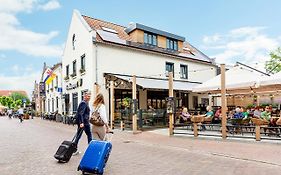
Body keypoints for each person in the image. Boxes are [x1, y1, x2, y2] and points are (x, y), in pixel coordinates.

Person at [73, 91, 92, 155]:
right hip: (84, 122)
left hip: (84, 122)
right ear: (84, 96)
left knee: (79, 136)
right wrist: (81, 122)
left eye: (90, 96)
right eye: (88, 96)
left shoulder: (85, 103)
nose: (89, 97)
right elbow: (80, 114)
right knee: (88, 134)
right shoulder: (83, 103)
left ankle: (74, 149)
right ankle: (90, 149)